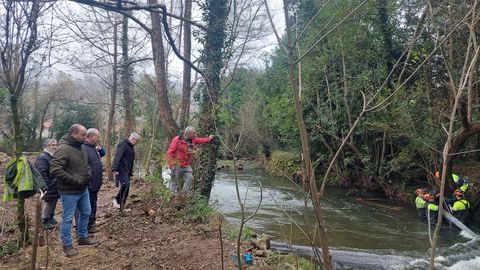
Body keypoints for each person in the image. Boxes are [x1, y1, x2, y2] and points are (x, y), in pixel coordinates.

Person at [50, 124, 97, 257]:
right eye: (83, 135)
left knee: (86, 212)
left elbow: (85, 164)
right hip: (69, 191)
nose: (85, 137)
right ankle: (67, 245)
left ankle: (82, 237)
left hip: (83, 189)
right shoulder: (63, 149)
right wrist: (75, 180)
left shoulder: (81, 147)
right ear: (74, 134)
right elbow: (55, 169)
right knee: (68, 218)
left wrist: (88, 174)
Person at [166, 126, 213, 199]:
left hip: (186, 166)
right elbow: (169, 152)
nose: (194, 135)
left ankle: (183, 195)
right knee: (174, 182)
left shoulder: (192, 140)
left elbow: (200, 140)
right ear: (188, 133)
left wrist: (209, 139)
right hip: (176, 164)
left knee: (190, 178)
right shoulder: (177, 140)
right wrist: (171, 163)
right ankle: (172, 197)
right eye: (193, 133)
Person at [83, 128, 104, 233]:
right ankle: (86, 227)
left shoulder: (93, 148)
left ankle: (91, 225)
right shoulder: (84, 148)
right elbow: (84, 167)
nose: (98, 139)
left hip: (95, 184)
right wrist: (89, 181)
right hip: (89, 184)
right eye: (97, 137)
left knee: (93, 204)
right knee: (88, 206)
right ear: (90, 136)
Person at [112, 132, 140, 209]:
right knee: (126, 185)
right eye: (136, 141)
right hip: (121, 169)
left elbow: (129, 161)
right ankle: (117, 200)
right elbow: (117, 156)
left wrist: (130, 172)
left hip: (127, 171)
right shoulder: (123, 145)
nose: (136, 143)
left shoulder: (130, 147)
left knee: (126, 186)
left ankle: (122, 203)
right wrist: (115, 169)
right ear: (133, 139)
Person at [35, 139, 58, 229]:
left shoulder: (51, 156)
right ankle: (45, 219)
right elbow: (42, 173)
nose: (55, 147)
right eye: (52, 145)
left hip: (54, 183)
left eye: (56, 145)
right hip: (48, 184)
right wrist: (46, 186)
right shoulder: (42, 157)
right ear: (46, 146)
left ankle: (51, 217)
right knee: (49, 202)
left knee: (54, 200)